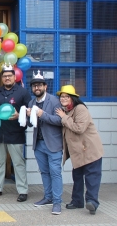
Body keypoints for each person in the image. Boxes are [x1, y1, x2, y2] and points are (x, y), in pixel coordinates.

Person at [0, 64, 31, 202]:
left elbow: (29, 112)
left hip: (16, 133)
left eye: (9, 76)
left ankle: (23, 191)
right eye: (4, 76)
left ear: (14, 77)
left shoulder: (23, 92)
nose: (7, 78)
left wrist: (20, 116)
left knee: (18, 163)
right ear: (2, 78)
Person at [55, 85, 104, 215]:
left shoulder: (80, 109)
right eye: (62, 96)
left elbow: (79, 128)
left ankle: (92, 202)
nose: (63, 99)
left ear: (73, 98)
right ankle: (77, 201)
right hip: (78, 152)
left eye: (66, 96)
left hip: (90, 150)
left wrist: (63, 117)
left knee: (92, 177)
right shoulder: (66, 111)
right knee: (77, 176)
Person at [26, 71, 63, 215]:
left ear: (45, 86)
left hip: (53, 144)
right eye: (34, 86)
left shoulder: (54, 101)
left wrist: (43, 114)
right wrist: (26, 116)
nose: (37, 88)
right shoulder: (31, 102)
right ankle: (48, 197)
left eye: (39, 85)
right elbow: (30, 125)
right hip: (39, 144)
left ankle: (57, 202)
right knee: (45, 172)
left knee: (55, 173)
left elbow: (60, 121)